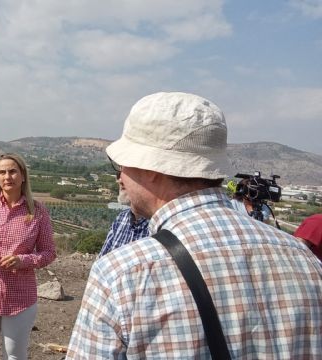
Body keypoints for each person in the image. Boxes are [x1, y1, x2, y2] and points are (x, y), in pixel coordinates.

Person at [67, 92, 322, 358]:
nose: (120, 178)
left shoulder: (122, 273)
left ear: (152, 168)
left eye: (121, 165)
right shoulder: (304, 258)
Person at [0, 153, 56, 360]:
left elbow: (49, 252)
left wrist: (23, 260)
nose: (8, 176)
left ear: (23, 175)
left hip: (20, 297)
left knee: (15, 355)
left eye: (13, 171)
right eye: (2, 172)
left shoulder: (38, 211)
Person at [98, 189, 149, 256]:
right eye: (118, 177)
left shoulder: (159, 226)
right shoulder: (121, 218)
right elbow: (102, 258)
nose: (119, 180)